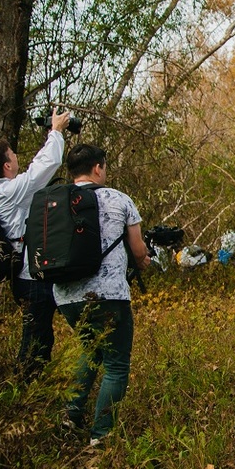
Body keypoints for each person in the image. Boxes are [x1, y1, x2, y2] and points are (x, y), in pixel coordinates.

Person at [55, 144, 150, 446]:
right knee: (116, 363)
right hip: (109, 295)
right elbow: (138, 251)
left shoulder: (55, 201)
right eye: (104, 166)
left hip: (66, 296)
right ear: (98, 168)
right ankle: (102, 435)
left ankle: (70, 415)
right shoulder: (118, 199)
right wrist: (145, 261)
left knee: (90, 351)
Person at [0, 108, 69, 380]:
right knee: (35, 340)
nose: (17, 159)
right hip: (30, 278)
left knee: (39, 335)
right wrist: (56, 131)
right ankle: (23, 389)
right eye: (13, 156)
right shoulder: (9, 192)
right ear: (7, 165)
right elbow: (43, 168)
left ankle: (28, 390)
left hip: (25, 277)